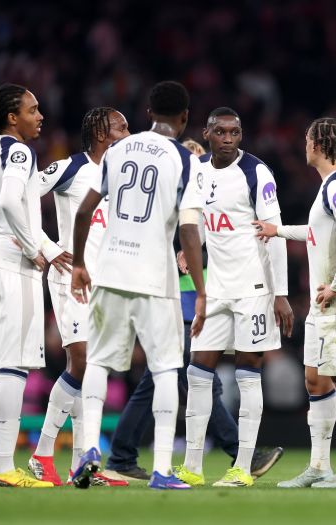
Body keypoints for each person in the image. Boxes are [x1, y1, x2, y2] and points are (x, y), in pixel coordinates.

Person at [101, 138, 283, 483]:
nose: (196, 159)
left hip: (199, 297)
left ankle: (125, 454)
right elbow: (183, 231)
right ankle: (237, 454)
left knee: (166, 380)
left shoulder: (207, 190)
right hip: (183, 302)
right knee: (190, 378)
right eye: (190, 155)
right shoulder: (176, 195)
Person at [70, 80, 206, 491]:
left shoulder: (116, 151)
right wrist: (200, 290)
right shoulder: (186, 160)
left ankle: (90, 448)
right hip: (154, 278)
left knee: (98, 362)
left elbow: (84, 211)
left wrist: (79, 263)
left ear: (148, 112)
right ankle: (163, 469)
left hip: (109, 271)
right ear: (184, 118)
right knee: (165, 369)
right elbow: (188, 231)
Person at [174, 107, 294, 488]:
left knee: (247, 374)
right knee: (197, 373)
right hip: (216, 289)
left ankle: (242, 467)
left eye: (235, 133)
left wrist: (281, 294)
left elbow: (271, 233)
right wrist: (190, 251)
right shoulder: (196, 171)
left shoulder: (256, 172)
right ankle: (192, 466)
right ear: (207, 134)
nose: (228, 139)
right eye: (221, 132)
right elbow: (207, 224)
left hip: (253, 290)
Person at [253, 117, 336, 488]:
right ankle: (319, 466)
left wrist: (335, 285)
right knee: (316, 381)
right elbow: (321, 233)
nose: (304, 146)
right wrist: (278, 230)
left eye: (306, 140)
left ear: (317, 145)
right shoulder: (332, 186)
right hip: (325, 302)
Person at [0, 84, 68, 488]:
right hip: (14, 266)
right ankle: (6, 468)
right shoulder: (19, 150)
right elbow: (11, 203)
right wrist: (31, 249)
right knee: (12, 364)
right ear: (13, 117)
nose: (40, 115)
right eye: (33, 109)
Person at [27, 107, 130, 487]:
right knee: (83, 361)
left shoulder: (122, 176)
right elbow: (22, 198)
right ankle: (41, 455)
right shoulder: (70, 168)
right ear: (103, 132)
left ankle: (83, 467)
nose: (129, 131)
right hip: (72, 278)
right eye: (122, 126)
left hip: (106, 283)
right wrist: (46, 246)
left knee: (93, 369)